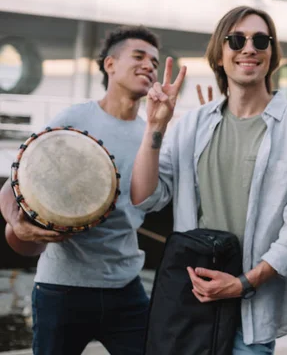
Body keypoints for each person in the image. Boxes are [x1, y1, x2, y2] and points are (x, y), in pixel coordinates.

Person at [130, 5, 287, 354]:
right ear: (220, 55)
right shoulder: (190, 125)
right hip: (192, 302)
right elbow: (146, 197)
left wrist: (241, 284)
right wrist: (154, 128)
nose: (249, 48)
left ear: (271, 54)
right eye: (236, 40)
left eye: (261, 40)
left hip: (253, 309)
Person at [0, 25, 165, 355]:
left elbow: (147, 200)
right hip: (62, 288)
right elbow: (12, 187)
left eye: (154, 62)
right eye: (139, 56)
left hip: (125, 287)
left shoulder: (151, 133)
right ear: (110, 64)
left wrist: (158, 130)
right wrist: (17, 225)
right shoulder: (74, 118)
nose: (149, 65)